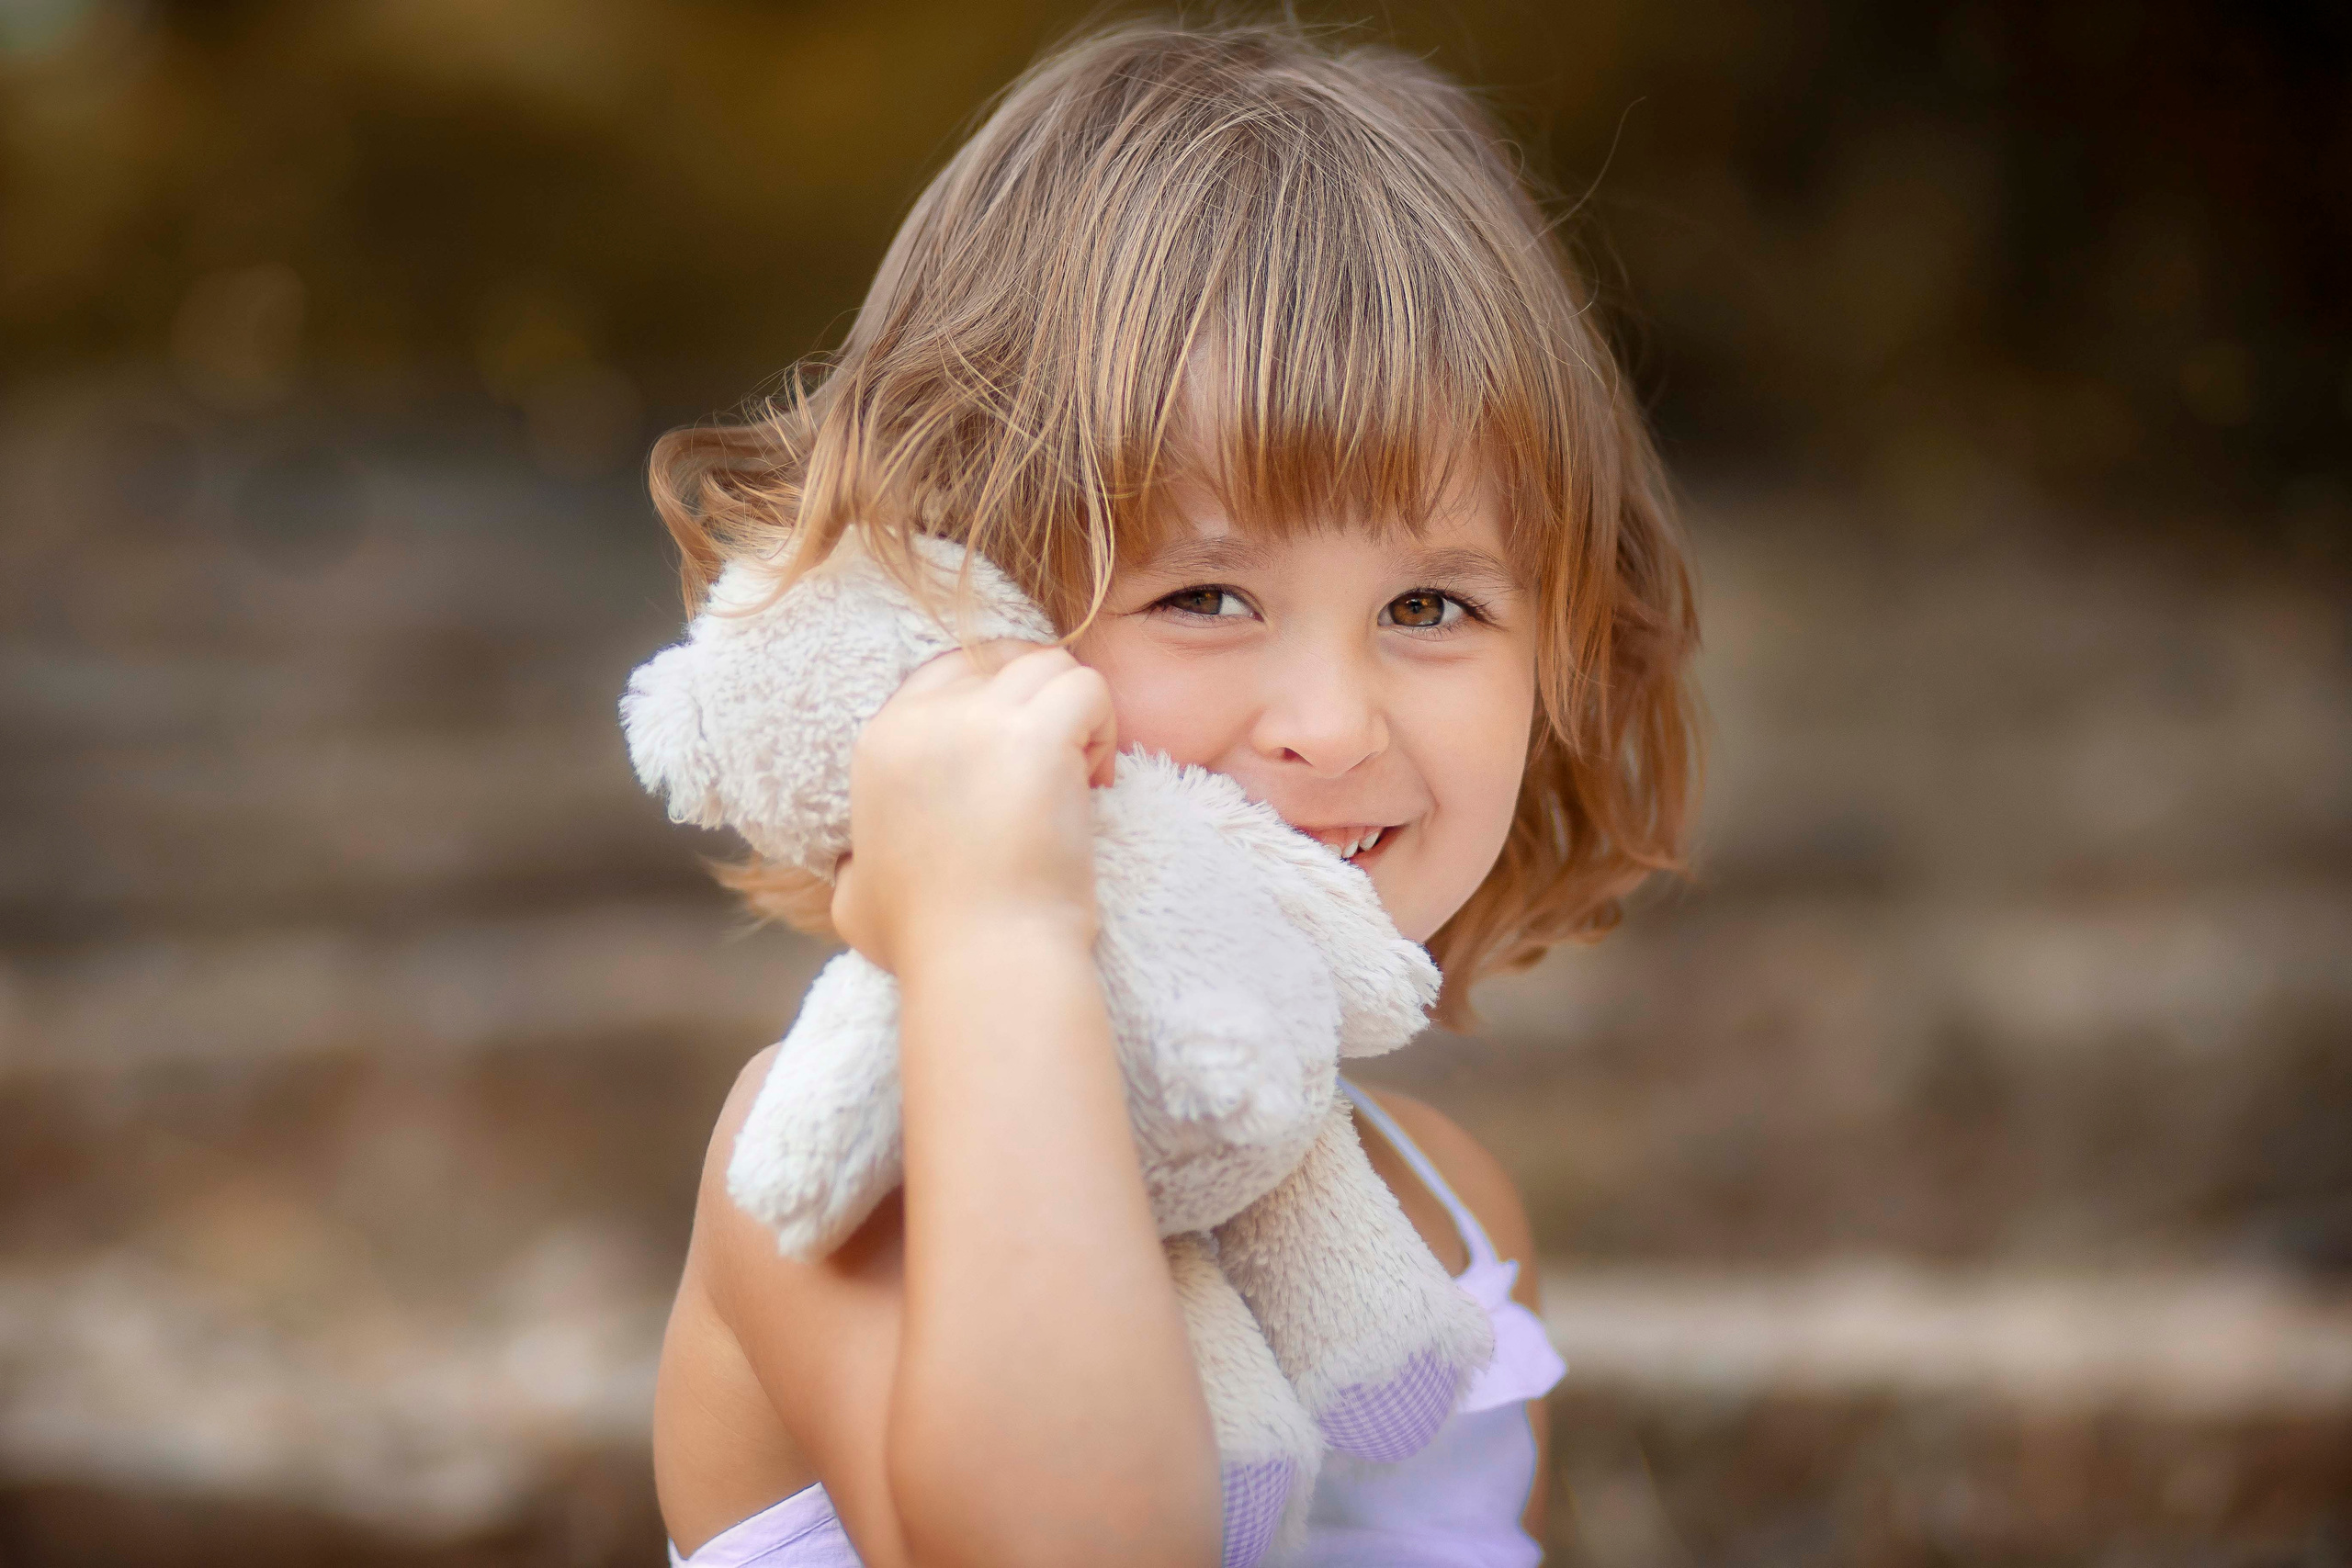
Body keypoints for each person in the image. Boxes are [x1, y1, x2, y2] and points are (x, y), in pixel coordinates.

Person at [645, 18, 1698, 1568]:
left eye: (1431, 607)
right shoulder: (826, 1172)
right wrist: (993, 929)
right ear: (961, 611)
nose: (1332, 727)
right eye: (1204, 596)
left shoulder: (1451, 1210)